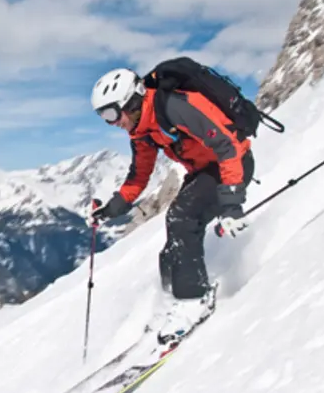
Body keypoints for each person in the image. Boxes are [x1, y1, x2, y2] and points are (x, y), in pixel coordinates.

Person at [87, 66, 254, 343]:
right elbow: (139, 174)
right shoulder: (142, 131)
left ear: (131, 102)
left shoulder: (175, 108)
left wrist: (231, 203)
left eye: (111, 114)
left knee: (181, 217)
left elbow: (227, 146)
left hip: (232, 165)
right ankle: (171, 300)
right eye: (103, 117)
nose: (111, 123)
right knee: (172, 246)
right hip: (204, 171)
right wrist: (111, 209)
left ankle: (194, 300)